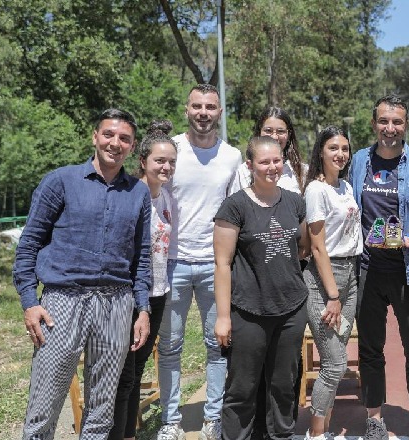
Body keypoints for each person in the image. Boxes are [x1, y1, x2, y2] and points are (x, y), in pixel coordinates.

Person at [13, 108, 152, 439]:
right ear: (95, 136)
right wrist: (29, 301)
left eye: (124, 138)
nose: (115, 143)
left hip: (116, 304)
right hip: (63, 302)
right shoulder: (60, 181)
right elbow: (29, 244)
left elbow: (142, 257)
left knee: (102, 407)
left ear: (131, 147)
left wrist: (143, 308)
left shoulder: (138, 193)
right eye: (108, 134)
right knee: (45, 404)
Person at [349, 94, 409, 440]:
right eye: (383, 121)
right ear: (374, 124)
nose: (390, 128)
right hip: (367, 270)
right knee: (371, 348)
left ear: (406, 125)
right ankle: (374, 418)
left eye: (397, 122)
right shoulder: (358, 161)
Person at [157, 84, 242, 440]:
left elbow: (237, 209)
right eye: (197, 106)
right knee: (170, 347)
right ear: (187, 109)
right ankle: (170, 421)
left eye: (210, 107)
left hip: (215, 266)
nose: (203, 113)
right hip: (172, 263)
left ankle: (213, 418)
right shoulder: (170, 150)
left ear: (220, 112)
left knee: (218, 345)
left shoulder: (232, 157)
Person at [213, 136, 310, 440]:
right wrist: (224, 316)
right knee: (243, 387)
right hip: (248, 312)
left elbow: (304, 248)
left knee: (284, 385)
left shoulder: (295, 202)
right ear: (250, 165)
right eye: (264, 161)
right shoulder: (235, 206)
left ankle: (281, 435)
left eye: (277, 160)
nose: (271, 167)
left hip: (291, 310)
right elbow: (222, 264)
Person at [109, 120, 177, 440]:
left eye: (171, 162)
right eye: (159, 161)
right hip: (131, 296)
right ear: (143, 162)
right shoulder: (131, 196)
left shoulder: (165, 199)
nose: (166, 167)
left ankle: (129, 433)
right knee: (123, 373)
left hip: (158, 293)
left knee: (136, 372)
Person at [302, 126, 362, 440]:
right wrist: (333, 294)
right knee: (336, 363)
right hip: (326, 281)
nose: (340, 154)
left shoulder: (346, 187)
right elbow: (316, 246)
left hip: (350, 276)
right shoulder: (316, 189)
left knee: (335, 355)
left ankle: (324, 426)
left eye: (344, 148)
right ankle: (316, 433)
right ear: (321, 152)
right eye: (333, 148)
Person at [231, 106, 306, 194]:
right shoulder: (244, 172)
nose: (274, 137)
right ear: (259, 132)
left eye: (280, 131)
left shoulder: (302, 172)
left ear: (288, 135)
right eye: (268, 130)